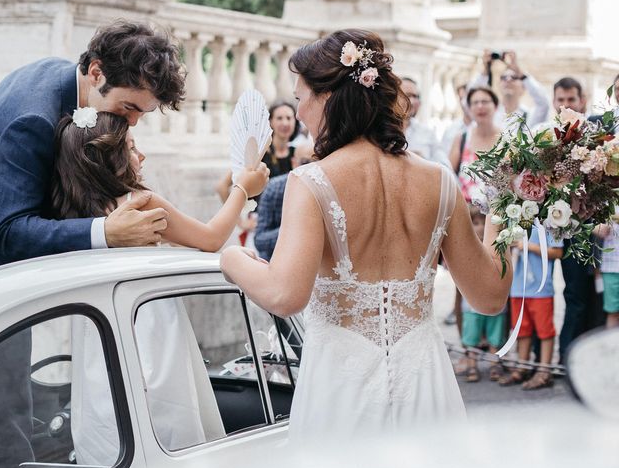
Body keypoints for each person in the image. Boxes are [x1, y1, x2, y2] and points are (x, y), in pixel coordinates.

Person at [0, 21, 186, 468]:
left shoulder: (67, 84)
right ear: (95, 72)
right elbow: (8, 230)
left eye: (141, 116)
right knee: (3, 430)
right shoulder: (30, 117)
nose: (131, 124)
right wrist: (105, 232)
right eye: (129, 108)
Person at [221, 29, 511, 437]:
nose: (299, 112)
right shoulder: (439, 180)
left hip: (341, 386)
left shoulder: (311, 181)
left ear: (329, 97)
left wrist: (231, 259)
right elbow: (489, 297)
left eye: (302, 98)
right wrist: (506, 208)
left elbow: (284, 295)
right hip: (424, 382)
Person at [49, 110, 268, 461]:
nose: (142, 156)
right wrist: (243, 189)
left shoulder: (71, 213)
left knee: (111, 426)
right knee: (169, 425)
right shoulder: (138, 203)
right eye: (132, 148)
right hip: (150, 330)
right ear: (109, 160)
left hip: (99, 340)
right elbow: (210, 239)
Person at [552, 76, 603, 358]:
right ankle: (568, 358)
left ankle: (595, 359)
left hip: (602, 229)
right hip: (570, 232)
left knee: (601, 297)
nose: (566, 104)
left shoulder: (598, 134)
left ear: (581, 101)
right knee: (575, 296)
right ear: (554, 102)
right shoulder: (547, 138)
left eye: (571, 99)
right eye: (561, 99)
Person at [447, 86, 502, 332]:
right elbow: (448, 177)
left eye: (485, 101)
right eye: (475, 102)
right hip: (466, 220)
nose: (480, 106)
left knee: (494, 276)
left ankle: (492, 341)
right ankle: (467, 343)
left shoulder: (504, 138)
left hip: (496, 220)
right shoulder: (462, 138)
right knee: (463, 281)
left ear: (495, 106)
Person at [216, 100, 308, 246]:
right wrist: (241, 222)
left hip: (288, 225)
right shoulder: (258, 154)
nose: (285, 123)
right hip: (260, 227)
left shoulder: (298, 154)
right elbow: (222, 186)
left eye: (289, 118)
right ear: (270, 122)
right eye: (279, 118)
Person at [498, 229, 563, 389]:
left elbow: (557, 252)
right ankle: (523, 367)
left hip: (540, 289)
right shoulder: (514, 218)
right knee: (521, 329)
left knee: (545, 330)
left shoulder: (551, 222)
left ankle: (544, 371)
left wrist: (528, 246)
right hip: (518, 287)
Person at [459, 207, 506, 382]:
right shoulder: (465, 247)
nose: (479, 227)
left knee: (495, 335)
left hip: (495, 299)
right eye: (475, 223)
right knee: (471, 335)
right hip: (470, 304)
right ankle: (472, 366)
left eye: (482, 223)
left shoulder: (497, 245)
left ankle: (495, 364)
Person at [469, 51, 549, 129]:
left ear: (523, 88)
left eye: (514, 77)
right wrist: (485, 70)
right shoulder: (489, 114)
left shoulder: (529, 116)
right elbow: (469, 99)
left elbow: (543, 103)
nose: (508, 80)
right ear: (499, 85)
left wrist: (519, 72)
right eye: (503, 77)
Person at [401, 77, 452, 169]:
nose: (412, 102)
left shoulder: (427, 133)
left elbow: (446, 167)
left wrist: (424, 161)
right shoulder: (380, 131)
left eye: (415, 96)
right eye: (407, 96)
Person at [254, 173, 289, 261]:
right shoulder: (275, 187)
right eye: (304, 163)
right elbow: (259, 240)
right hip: (274, 260)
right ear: (294, 162)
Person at [593, 219, 619, 328]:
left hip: (611, 266)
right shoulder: (605, 203)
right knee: (613, 312)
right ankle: (612, 344)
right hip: (611, 266)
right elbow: (599, 229)